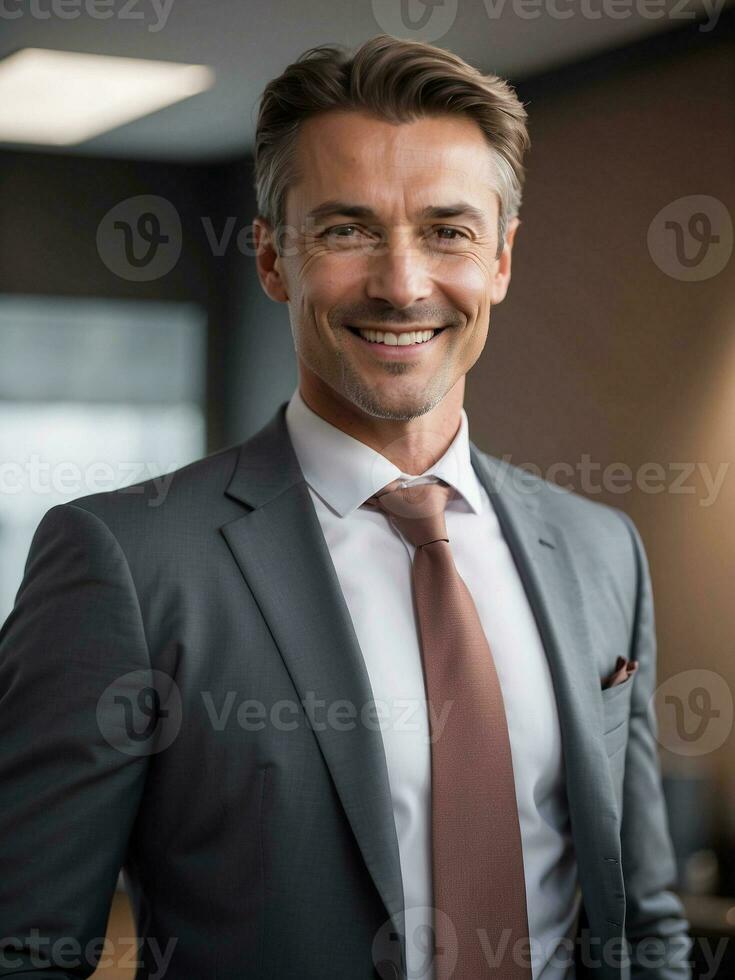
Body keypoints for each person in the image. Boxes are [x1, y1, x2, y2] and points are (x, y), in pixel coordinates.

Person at [0, 33, 692, 980]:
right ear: (272, 259)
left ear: (500, 260)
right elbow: (26, 947)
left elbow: (643, 920)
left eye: (447, 230)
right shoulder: (127, 559)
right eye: (346, 230)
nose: (402, 284)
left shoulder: (599, 547)